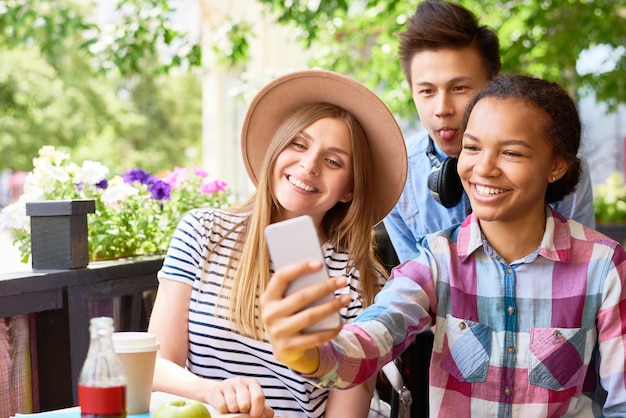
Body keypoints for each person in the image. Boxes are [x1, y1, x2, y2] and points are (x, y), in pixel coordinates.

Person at [261, 75, 626, 417]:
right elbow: (373, 335)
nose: (484, 168)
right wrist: (307, 351)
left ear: (557, 166)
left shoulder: (604, 264)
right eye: (472, 147)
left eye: (511, 153)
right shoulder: (436, 259)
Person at [147, 69, 408, 418]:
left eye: (333, 161)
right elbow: (155, 364)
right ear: (276, 149)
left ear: (349, 189)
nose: (309, 164)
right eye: (298, 144)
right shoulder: (202, 232)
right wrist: (212, 391)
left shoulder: (356, 278)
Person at [383, 0, 595, 264]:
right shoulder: (395, 176)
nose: (442, 109)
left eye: (459, 88)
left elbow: (582, 268)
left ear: (496, 84)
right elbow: (413, 287)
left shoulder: (554, 161)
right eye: (426, 91)